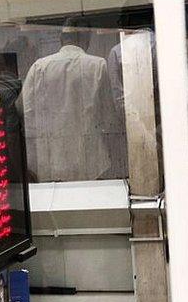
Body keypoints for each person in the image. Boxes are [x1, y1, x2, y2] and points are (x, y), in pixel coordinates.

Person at [20, 17, 122, 182]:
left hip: (50, 161)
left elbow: (26, 113)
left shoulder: (39, 67)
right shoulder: (98, 65)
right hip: (90, 161)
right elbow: (109, 117)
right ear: (86, 38)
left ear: (61, 39)